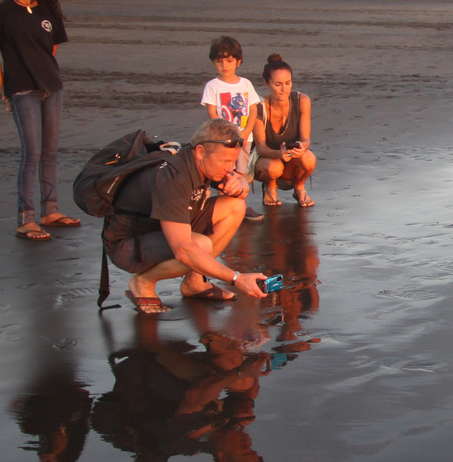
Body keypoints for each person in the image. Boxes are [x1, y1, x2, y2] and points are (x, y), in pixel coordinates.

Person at [104, 118, 269, 313]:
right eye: (225, 161)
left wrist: (240, 185)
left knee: (235, 206)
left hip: (162, 228)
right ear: (200, 151)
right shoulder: (174, 176)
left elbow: (239, 188)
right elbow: (183, 249)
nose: (230, 168)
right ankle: (143, 283)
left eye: (233, 161)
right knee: (199, 246)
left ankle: (194, 281)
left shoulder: (203, 160)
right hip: (127, 244)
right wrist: (236, 278)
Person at [0, 0, 80, 241]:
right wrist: (6, 89)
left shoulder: (47, 12)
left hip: (52, 87)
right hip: (21, 89)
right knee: (32, 153)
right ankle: (26, 218)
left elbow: (50, 50)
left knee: (49, 153)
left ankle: (50, 210)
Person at [199, 36, 262, 221]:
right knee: (224, 172)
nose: (224, 65)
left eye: (229, 61)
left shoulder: (245, 84)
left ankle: (240, 204)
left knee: (240, 172)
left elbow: (253, 108)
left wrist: (247, 130)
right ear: (213, 63)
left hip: (243, 138)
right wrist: (224, 134)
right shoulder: (212, 86)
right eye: (219, 62)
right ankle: (223, 205)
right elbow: (212, 112)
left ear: (238, 62)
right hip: (223, 140)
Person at [251, 53, 315, 208]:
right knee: (274, 167)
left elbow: (306, 139)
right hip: (266, 162)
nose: (284, 89)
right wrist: (277, 154)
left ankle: (299, 187)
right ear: (266, 83)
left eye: (288, 83)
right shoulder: (258, 106)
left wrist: (301, 148)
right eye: (278, 84)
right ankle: (270, 186)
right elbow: (260, 147)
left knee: (309, 158)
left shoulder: (302, 101)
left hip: (291, 162)